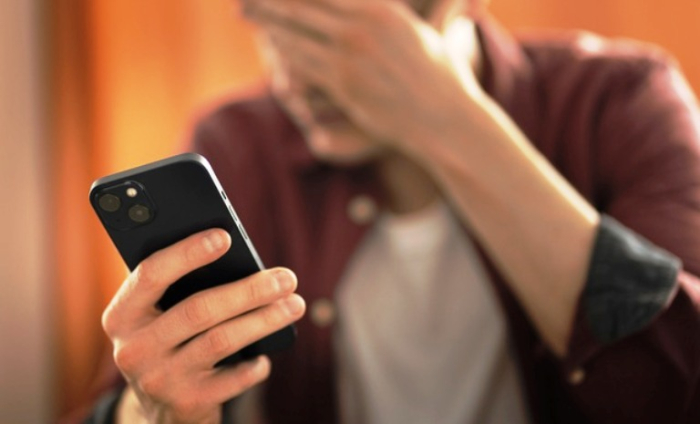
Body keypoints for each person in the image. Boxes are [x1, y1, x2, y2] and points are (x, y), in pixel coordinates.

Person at [72, 0, 700, 423]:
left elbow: (679, 385)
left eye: (326, 36)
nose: (291, 80)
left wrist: (446, 116)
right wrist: (150, 409)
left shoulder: (620, 101)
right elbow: (128, 398)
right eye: (269, 28)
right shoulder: (240, 144)